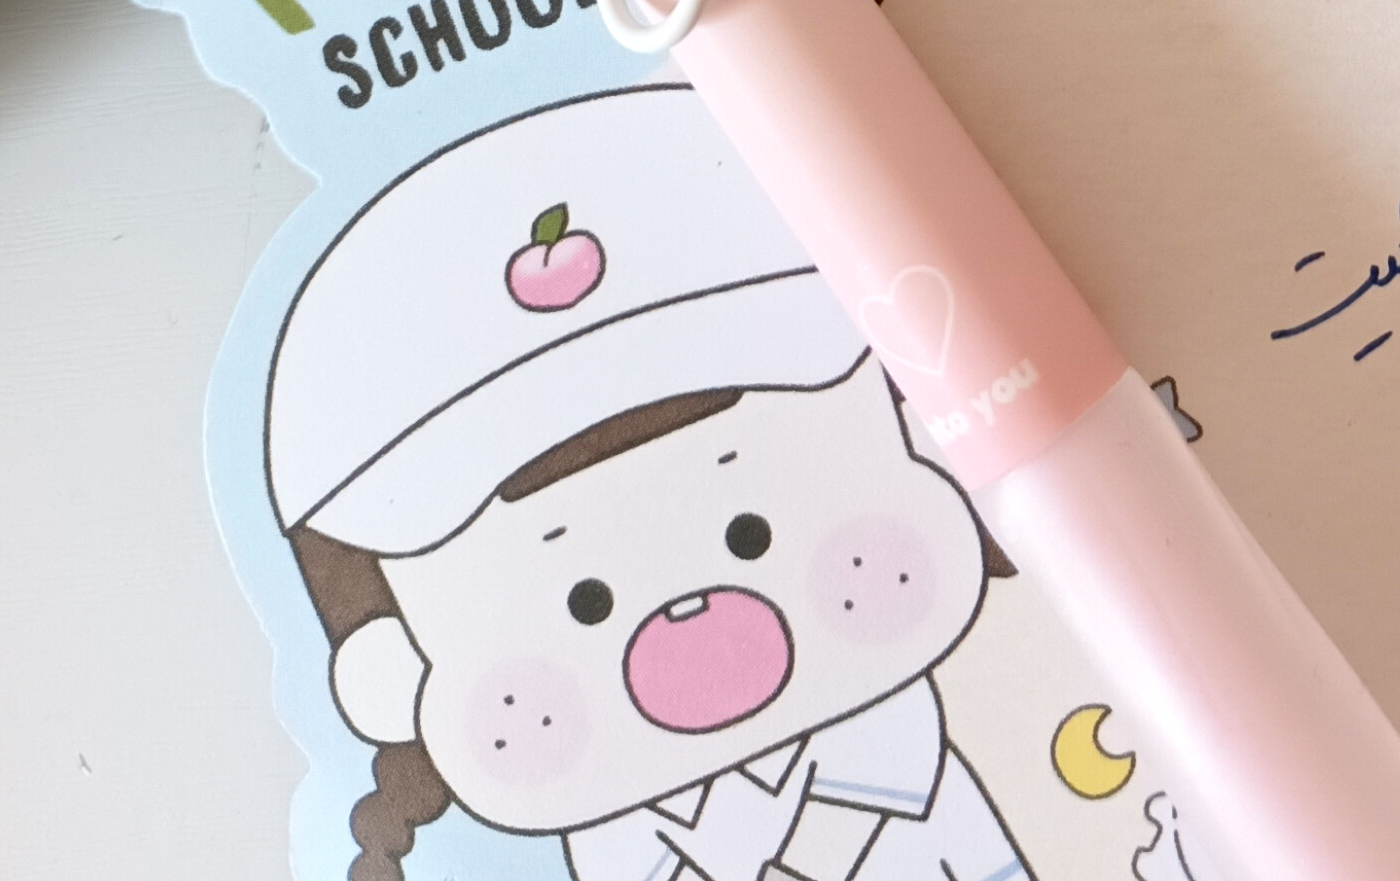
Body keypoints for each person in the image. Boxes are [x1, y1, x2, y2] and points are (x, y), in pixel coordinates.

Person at [266, 82, 1034, 881]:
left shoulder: (923, 779)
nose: (694, 634)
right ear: (391, 672)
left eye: (750, 535)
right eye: (587, 600)